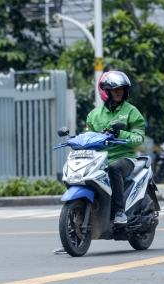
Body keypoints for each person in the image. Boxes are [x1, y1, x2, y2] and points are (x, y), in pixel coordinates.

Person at [54, 71, 145, 254]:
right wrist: (75, 140)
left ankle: (119, 212)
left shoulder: (131, 112)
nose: (118, 92)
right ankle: (72, 236)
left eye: (121, 89)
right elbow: (89, 136)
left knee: (113, 168)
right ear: (106, 92)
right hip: (99, 158)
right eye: (114, 89)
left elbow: (139, 138)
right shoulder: (94, 115)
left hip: (124, 158)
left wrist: (121, 134)